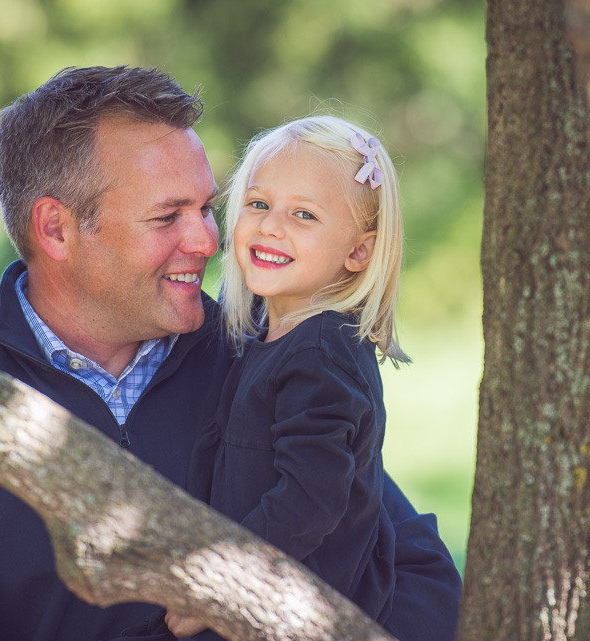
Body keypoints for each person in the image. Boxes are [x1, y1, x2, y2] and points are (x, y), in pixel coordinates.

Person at [0, 66, 462, 641]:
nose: (207, 240)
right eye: (168, 217)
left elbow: (413, 575)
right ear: (56, 229)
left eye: (208, 208)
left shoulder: (263, 359)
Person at [166, 116, 409, 639]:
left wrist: (216, 584)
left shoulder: (323, 354)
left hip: (300, 614)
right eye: (258, 204)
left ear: (358, 252)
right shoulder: (265, 332)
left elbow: (308, 499)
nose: (271, 226)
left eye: (304, 214)